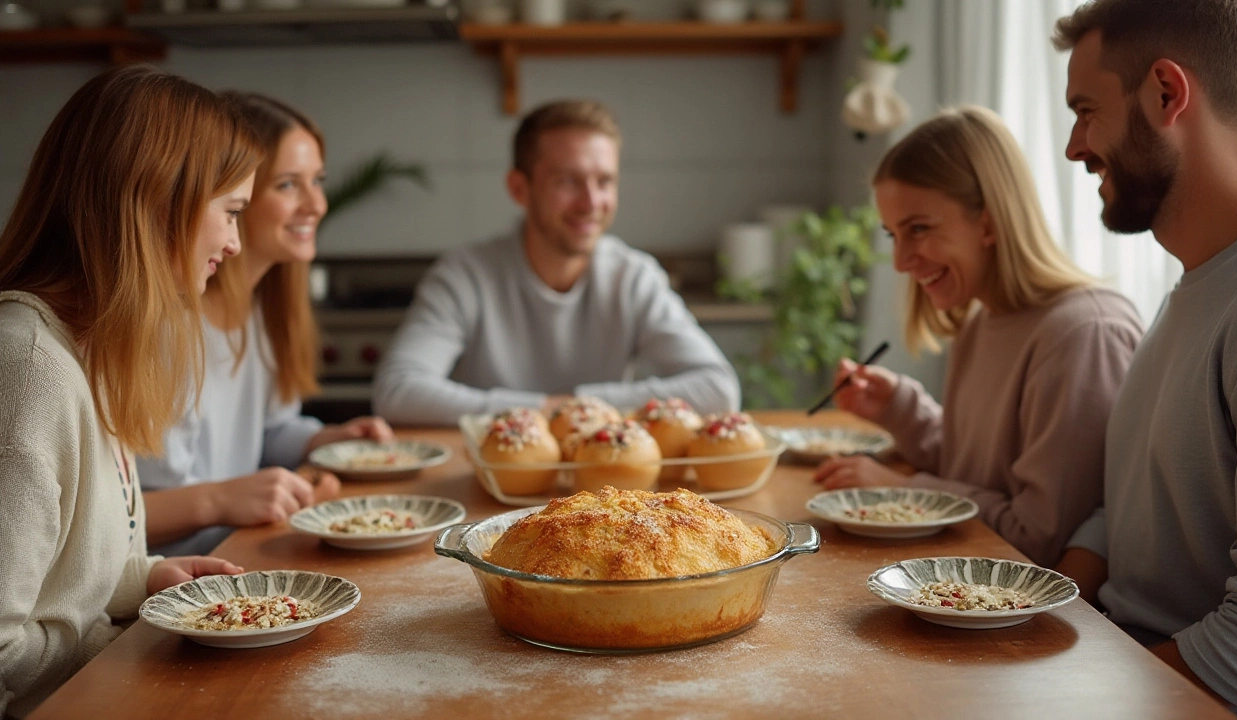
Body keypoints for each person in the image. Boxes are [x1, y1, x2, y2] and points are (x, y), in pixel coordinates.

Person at [0, 66, 253, 718]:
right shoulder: (29, 369)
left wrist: (143, 582)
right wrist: (125, 644)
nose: (234, 243)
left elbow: (57, 583)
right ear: (156, 203)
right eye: (229, 213)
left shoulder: (85, 350)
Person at [1052, 0, 1237, 713]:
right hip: (1125, 662)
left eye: (1086, 110)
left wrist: (1081, 697)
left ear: (1166, 93)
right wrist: (1032, 608)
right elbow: (1128, 511)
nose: (1073, 146)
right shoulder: (1196, 283)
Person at [812, 105, 1143, 569]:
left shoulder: (1083, 334)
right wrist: (900, 409)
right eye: (893, 235)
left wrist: (903, 491)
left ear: (988, 222)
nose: (902, 262)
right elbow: (973, 473)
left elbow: (1038, 539)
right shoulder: (982, 319)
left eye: (919, 229)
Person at [372, 100, 740, 425]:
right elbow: (398, 391)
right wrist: (548, 409)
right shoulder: (464, 276)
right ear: (519, 188)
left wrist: (580, 406)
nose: (591, 202)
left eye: (605, 181)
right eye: (568, 181)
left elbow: (718, 388)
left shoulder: (633, 277)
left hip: (605, 489)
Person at [137, 92, 394, 558]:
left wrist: (324, 439)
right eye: (288, 185)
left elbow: (269, 433)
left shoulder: (261, 312)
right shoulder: (169, 331)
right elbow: (121, 517)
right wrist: (221, 500)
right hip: (175, 580)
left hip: (235, 551)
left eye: (317, 180)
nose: (317, 204)